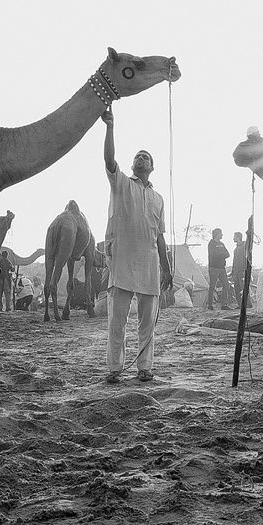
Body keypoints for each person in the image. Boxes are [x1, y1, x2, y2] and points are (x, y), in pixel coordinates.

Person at [102, 107, 172, 384]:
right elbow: (109, 160)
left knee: (147, 323)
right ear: (132, 166)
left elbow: (160, 236)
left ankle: (145, 368)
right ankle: (114, 369)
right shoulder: (121, 184)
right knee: (117, 322)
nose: (141, 158)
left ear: (152, 167)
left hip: (150, 265)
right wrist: (110, 128)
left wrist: (167, 268)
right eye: (137, 156)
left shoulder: (158, 198)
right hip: (122, 263)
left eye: (146, 157)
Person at [206, 228, 232, 310]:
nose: (222, 235)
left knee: (226, 285)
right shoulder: (211, 244)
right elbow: (214, 254)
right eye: (221, 233)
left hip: (222, 268)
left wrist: (220, 254)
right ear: (216, 234)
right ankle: (210, 305)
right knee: (212, 286)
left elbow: (228, 254)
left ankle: (224, 305)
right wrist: (222, 254)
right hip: (213, 267)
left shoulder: (222, 244)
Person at [230, 230, 250, 308]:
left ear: (238, 237)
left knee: (243, 288)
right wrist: (232, 271)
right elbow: (234, 261)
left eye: (234, 237)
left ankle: (247, 304)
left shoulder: (244, 245)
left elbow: (249, 242)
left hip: (242, 270)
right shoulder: (235, 249)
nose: (233, 238)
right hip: (236, 271)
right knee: (237, 288)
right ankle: (240, 305)